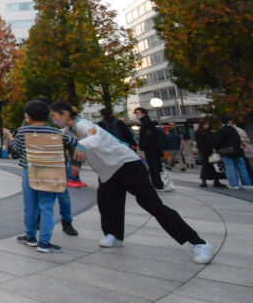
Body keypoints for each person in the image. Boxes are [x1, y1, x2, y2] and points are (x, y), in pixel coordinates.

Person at [69, 108, 213, 264]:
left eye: (55, 115)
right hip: (109, 169)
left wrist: (80, 150)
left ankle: (198, 242)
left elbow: (94, 138)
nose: (54, 118)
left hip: (126, 164)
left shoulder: (84, 124)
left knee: (151, 204)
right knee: (107, 202)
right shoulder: (74, 128)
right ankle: (113, 235)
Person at [5, 99, 79, 254]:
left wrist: (10, 138)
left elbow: (17, 150)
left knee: (30, 206)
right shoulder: (56, 132)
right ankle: (44, 242)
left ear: (28, 116)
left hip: (29, 171)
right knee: (47, 207)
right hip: (50, 173)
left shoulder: (23, 131)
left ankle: (30, 236)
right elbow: (74, 142)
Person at [213, 115, 252, 190]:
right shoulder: (233, 129)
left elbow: (217, 142)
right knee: (242, 167)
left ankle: (234, 184)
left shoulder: (221, 130)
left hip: (226, 151)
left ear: (220, 121)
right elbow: (238, 140)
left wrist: (218, 149)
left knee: (230, 167)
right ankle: (247, 183)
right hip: (238, 150)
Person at [133, 107, 166, 191]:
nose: (136, 115)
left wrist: (143, 146)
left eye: (138, 113)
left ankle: (158, 185)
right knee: (154, 167)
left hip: (151, 149)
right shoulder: (147, 122)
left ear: (143, 113)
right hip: (153, 149)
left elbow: (149, 136)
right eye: (136, 113)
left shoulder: (146, 123)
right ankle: (157, 184)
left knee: (154, 167)